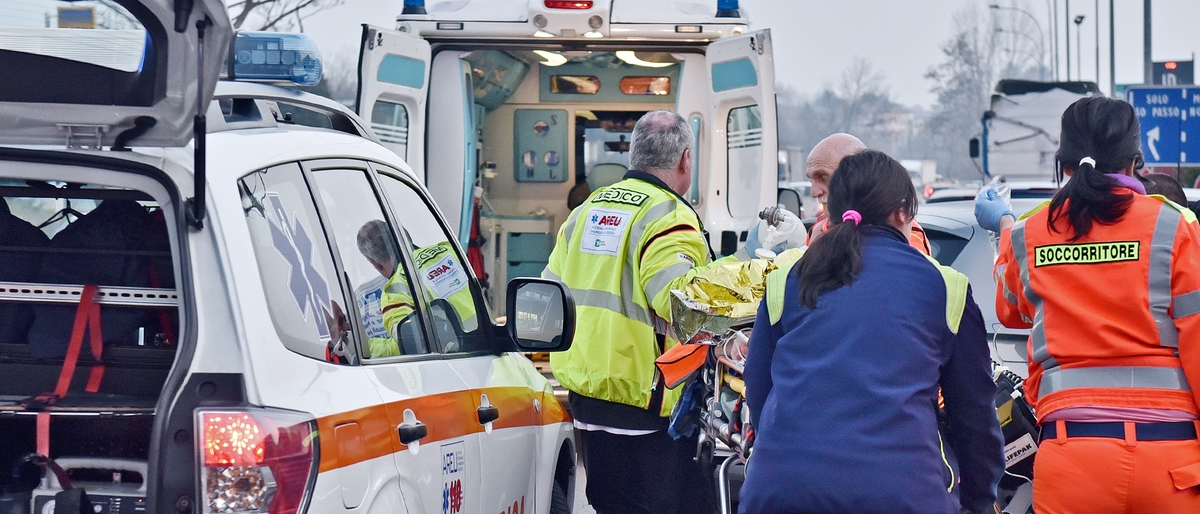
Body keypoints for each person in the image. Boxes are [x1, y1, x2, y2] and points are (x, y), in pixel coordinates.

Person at [545, 110, 795, 514]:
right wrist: (761, 262)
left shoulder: (585, 212)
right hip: (646, 405)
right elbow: (685, 306)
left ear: (633, 155)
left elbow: (550, 295)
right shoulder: (666, 217)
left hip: (589, 402)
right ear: (685, 160)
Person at [741, 149, 1004, 514]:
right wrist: (978, 499)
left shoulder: (786, 279)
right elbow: (973, 415)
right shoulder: (944, 286)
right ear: (901, 211)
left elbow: (759, 391)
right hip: (902, 493)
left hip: (782, 490)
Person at [975, 96, 1200, 513]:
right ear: (1135, 164)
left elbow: (1010, 308)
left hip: (1073, 455)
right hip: (1169, 462)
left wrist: (1005, 226)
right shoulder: (1175, 226)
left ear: (1062, 165)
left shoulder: (1032, 233)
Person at [805, 133, 932, 254]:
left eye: (823, 178)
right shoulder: (818, 229)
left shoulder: (903, 232)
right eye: (811, 180)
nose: (814, 192)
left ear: (857, 175)